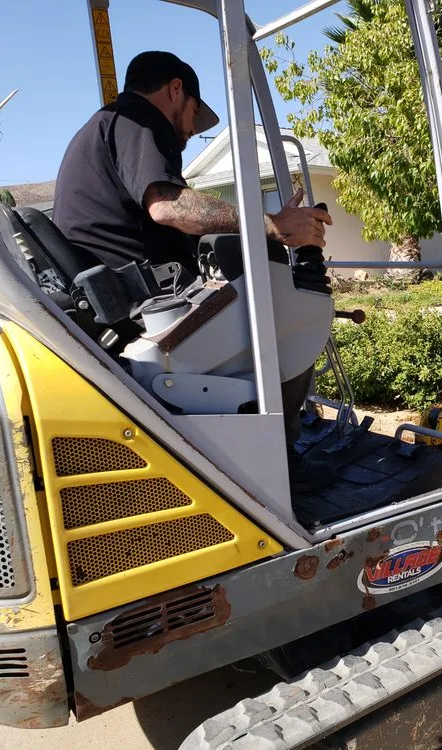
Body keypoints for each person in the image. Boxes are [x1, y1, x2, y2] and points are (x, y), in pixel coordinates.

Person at [54, 51, 334, 489]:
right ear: (176, 90)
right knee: (289, 322)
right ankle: (280, 471)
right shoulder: (137, 118)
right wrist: (273, 226)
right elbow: (168, 205)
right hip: (144, 310)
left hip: (122, 299)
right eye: (191, 119)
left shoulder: (102, 129)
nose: (188, 133)